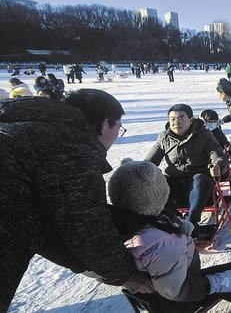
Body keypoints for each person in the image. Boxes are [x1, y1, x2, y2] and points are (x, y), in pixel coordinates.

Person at [0, 89, 154, 312]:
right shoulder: (69, 147)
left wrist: (89, 267)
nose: (116, 134)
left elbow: (42, 225)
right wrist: (125, 273)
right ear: (104, 124)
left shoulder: (26, 129)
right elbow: (86, 229)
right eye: (118, 126)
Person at [107, 160, 231, 311]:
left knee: (226, 275)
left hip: (158, 292)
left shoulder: (117, 225)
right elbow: (173, 291)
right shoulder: (162, 242)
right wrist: (211, 284)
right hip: (178, 299)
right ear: (155, 196)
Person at [145, 104, 229, 239]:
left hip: (200, 187)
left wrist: (218, 166)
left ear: (191, 119)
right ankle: (172, 218)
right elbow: (149, 162)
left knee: (200, 178)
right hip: (174, 184)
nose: (176, 122)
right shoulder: (164, 138)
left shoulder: (205, 135)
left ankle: (191, 222)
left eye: (181, 118)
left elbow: (219, 157)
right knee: (155, 178)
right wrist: (139, 171)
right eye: (172, 119)